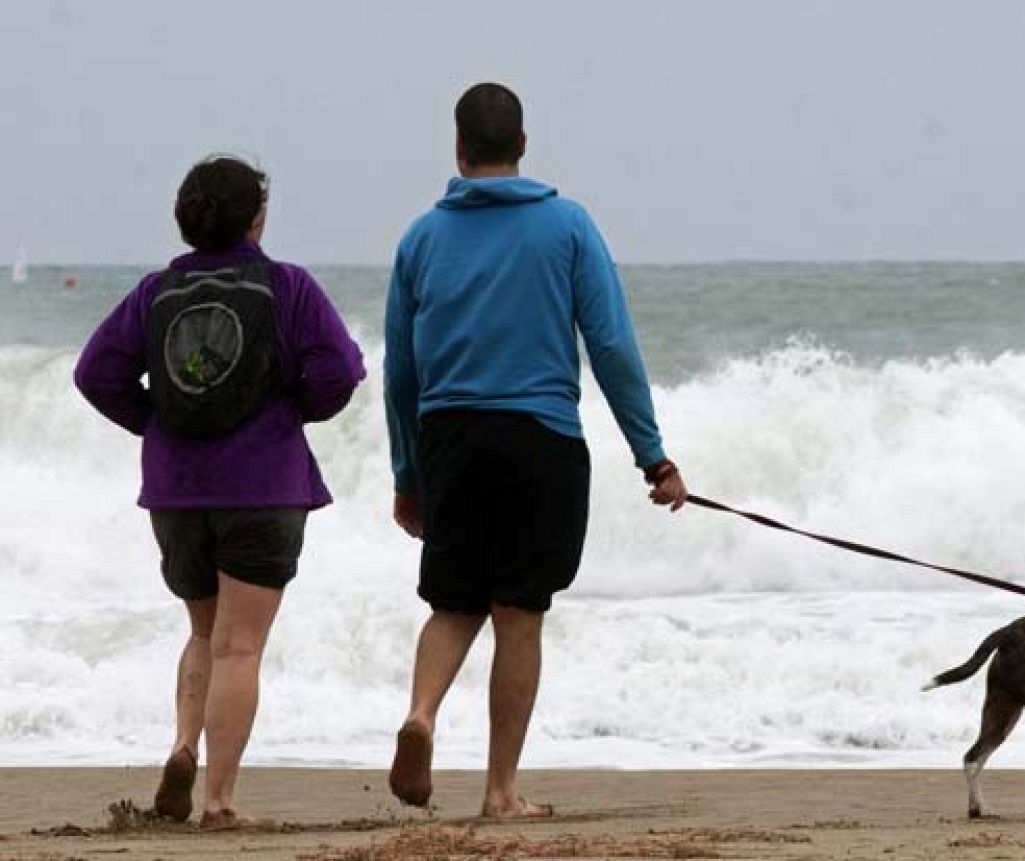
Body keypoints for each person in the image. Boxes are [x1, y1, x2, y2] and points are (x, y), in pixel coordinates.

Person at [384, 82, 688, 818]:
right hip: (540, 437)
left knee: (454, 604)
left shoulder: (422, 238)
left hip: (451, 436)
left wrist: (408, 473)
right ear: (523, 146)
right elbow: (611, 345)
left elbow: (400, 368)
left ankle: (421, 713)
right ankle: (500, 791)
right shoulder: (568, 226)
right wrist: (653, 456)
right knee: (519, 611)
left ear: (458, 150)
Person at [74, 155, 365, 827]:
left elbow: (94, 372)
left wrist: (152, 422)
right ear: (256, 217)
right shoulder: (287, 287)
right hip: (263, 484)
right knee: (240, 645)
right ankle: (220, 800)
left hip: (176, 490)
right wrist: (295, 409)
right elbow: (340, 370)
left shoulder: (154, 292)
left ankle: (183, 745)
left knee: (204, 630)